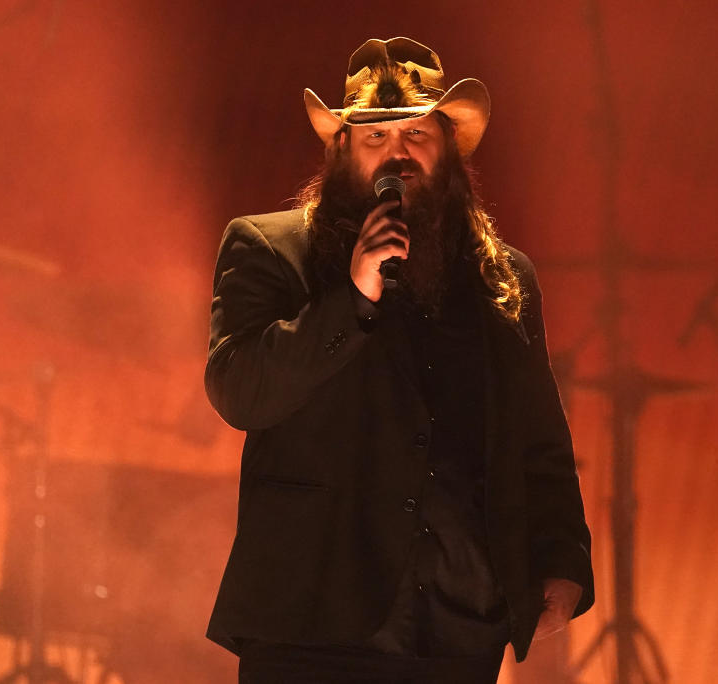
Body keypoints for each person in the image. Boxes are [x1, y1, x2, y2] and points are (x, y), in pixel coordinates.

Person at [204, 37, 594, 684]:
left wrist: (563, 557)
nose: (397, 154)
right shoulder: (270, 251)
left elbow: (538, 437)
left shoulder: (501, 277)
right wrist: (350, 299)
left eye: (416, 133)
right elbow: (240, 391)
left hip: (456, 622)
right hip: (311, 623)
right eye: (375, 138)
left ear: (449, 150)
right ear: (341, 153)